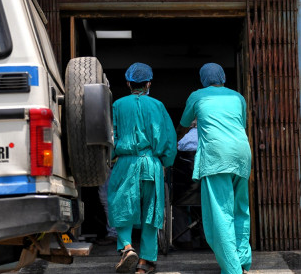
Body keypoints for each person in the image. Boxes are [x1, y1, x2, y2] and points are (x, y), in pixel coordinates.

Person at [178, 63, 252, 274]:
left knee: (221, 214)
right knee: (241, 209)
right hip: (241, 154)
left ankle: (232, 269)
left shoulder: (197, 95)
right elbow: (241, 123)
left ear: (203, 79)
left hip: (216, 157)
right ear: (223, 77)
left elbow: (185, 121)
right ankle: (243, 261)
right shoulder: (238, 97)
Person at [108, 62, 177, 273]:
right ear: (149, 84)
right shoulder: (158, 106)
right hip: (151, 164)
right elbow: (169, 139)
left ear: (128, 83)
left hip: (125, 162)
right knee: (152, 211)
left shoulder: (117, 106)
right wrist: (165, 162)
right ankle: (145, 262)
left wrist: (111, 158)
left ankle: (127, 247)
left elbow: (110, 136)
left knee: (120, 205)